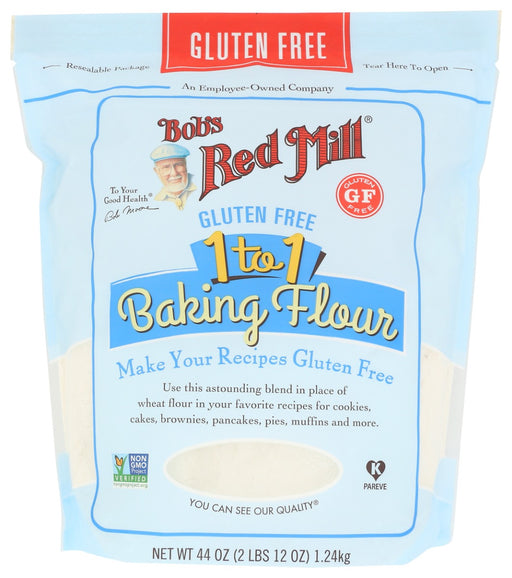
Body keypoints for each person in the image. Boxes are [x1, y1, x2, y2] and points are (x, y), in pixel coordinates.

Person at [151, 143, 197, 209]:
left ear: (185, 166)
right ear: (157, 171)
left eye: (178, 165)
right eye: (166, 167)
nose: (174, 173)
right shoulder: (157, 200)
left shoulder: (201, 186)